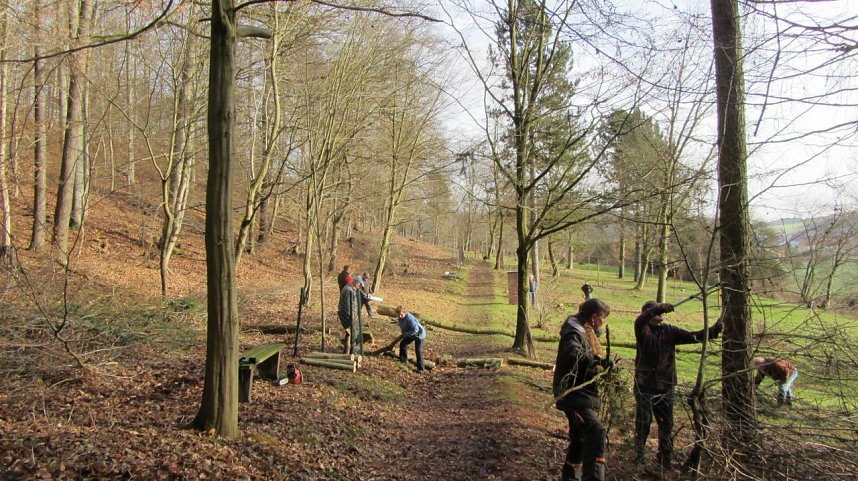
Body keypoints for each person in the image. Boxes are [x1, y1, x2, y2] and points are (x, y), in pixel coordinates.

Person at [633, 301, 722, 468]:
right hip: (644, 385)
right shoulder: (642, 329)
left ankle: (665, 458)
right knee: (644, 421)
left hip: (666, 385)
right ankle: (639, 455)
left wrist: (714, 330)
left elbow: (693, 336)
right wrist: (658, 308)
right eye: (654, 312)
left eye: (659, 312)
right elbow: (640, 320)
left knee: (667, 423)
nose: (659, 315)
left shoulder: (669, 330)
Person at [553, 298, 612, 481]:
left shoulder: (585, 328)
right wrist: (596, 361)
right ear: (594, 317)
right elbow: (573, 354)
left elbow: (593, 336)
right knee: (595, 431)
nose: (604, 323)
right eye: (603, 318)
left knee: (580, 436)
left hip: (582, 392)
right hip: (573, 394)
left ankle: (570, 477)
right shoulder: (573, 332)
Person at [337, 278, 367, 353]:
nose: (359, 287)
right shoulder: (349, 290)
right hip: (346, 314)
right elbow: (348, 306)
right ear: (356, 282)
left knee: (353, 330)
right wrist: (353, 317)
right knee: (354, 330)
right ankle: (351, 350)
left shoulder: (351, 289)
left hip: (348, 313)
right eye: (359, 285)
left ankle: (348, 349)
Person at [395, 306, 427, 373]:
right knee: (403, 343)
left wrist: (406, 334)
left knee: (418, 350)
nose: (400, 316)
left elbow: (415, 329)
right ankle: (403, 360)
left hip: (419, 334)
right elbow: (402, 326)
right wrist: (404, 333)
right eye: (398, 315)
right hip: (411, 333)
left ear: (405, 312)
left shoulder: (410, 318)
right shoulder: (399, 318)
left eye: (401, 314)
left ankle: (421, 369)